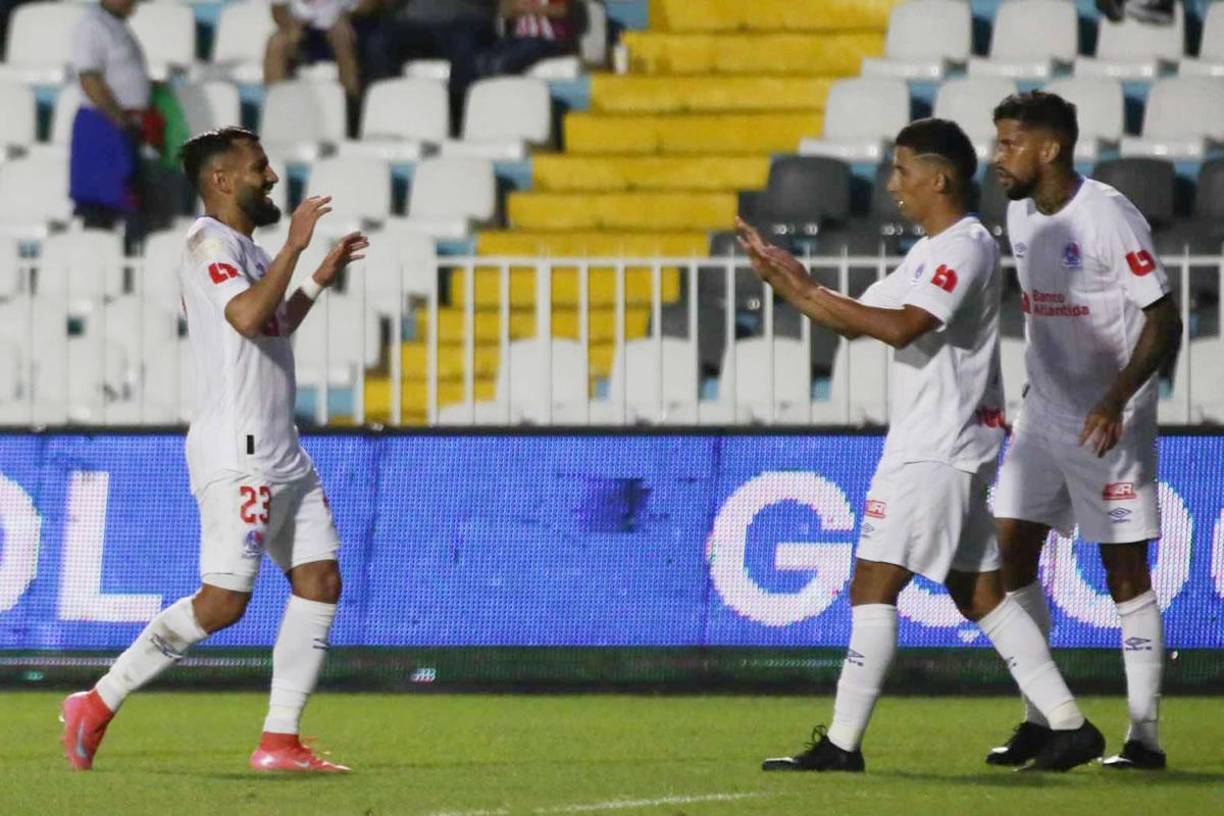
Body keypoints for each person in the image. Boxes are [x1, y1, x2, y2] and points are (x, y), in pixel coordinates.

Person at [740, 118, 1104, 773]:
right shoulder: (928, 253)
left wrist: (807, 289)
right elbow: (853, 323)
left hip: (934, 446)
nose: (893, 184)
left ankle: (842, 745)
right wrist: (787, 281)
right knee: (978, 592)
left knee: (873, 584)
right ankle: (1071, 725)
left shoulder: (964, 247)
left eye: (903, 170)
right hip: (946, 443)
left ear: (939, 178)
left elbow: (905, 328)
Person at [58, 127, 369, 773]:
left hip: (282, 448)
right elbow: (248, 318)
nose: (272, 178)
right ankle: (96, 700)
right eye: (260, 168)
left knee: (320, 578)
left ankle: (279, 740)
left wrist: (313, 280)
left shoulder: (247, 253)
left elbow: (272, 323)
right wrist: (295, 245)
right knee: (224, 602)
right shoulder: (207, 246)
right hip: (240, 450)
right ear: (224, 180)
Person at [987, 91, 1181, 771]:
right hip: (1042, 416)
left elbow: (1163, 318)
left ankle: (1144, 737)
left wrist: (1114, 398)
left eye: (1010, 143)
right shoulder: (1017, 216)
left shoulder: (1107, 215)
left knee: (1123, 571)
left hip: (1111, 421)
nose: (997, 156)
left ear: (1050, 148)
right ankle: (1043, 719)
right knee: (1006, 558)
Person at [69, 0, 162, 236]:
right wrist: (120, 120)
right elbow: (90, 79)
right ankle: (100, 265)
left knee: (136, 203)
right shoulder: (93, 26)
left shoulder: (115, 26)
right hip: (104, 126)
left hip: (124, 125)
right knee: (100, 210)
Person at [265, 0, 378, 132]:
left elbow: (370, 5)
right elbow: (277, 9)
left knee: (342, 36)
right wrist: (291, 26)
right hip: (302, 28)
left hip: (348, 23)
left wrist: (348, 16)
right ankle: (275, 118)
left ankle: (350, 118)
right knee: (277, 43)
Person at [478, 0, 577, 78]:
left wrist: (531, 8)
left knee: (500, 64)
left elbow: (562, 10)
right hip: (519, 39)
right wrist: (513, 6)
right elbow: (504, 12)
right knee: (482, 61)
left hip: (548, 39)